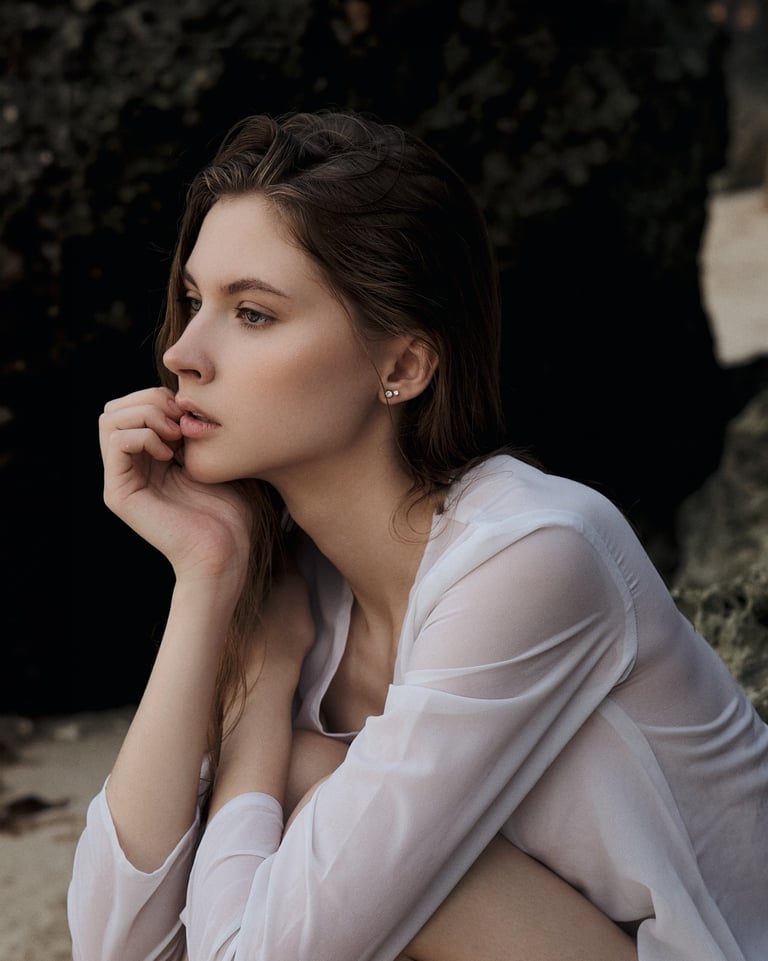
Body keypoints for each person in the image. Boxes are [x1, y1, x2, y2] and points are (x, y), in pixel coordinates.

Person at [67, 109, 767, 961]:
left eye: (251, 313)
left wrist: (258, 711)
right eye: (190, 300)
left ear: (401, 366)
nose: (183, 352)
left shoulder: (533, 556)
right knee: (313, 791)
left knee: (308, 778)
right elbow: (121, 945)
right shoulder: (298, 582)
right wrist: (207, 576)